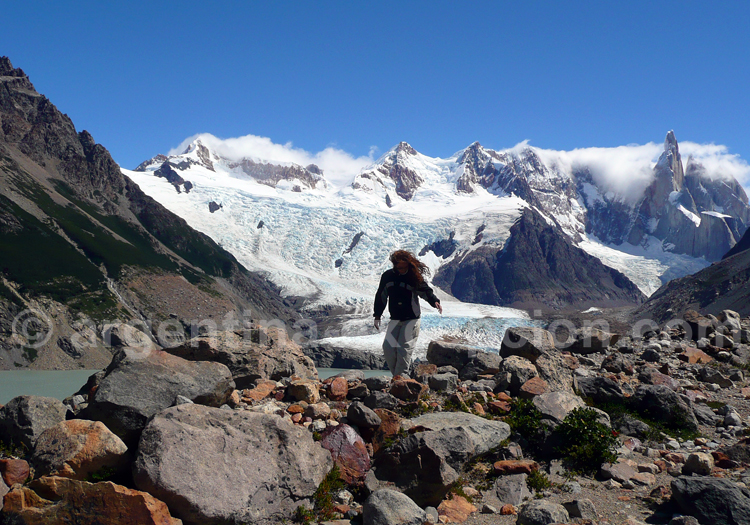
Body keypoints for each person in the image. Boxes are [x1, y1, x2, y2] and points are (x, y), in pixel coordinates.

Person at [374, 250, 442, 378]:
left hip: (411, 319)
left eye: (404, 267)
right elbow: (381, 296)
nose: (401, 270)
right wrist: (377, 314)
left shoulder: (413, 276)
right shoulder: (387, 276)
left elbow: (425, 291)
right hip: (395, 319)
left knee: (404, 349)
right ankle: (399, 378)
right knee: (388, 348)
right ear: (394, 265)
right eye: (399, 268)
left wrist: (434, 301)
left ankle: (401, 378)